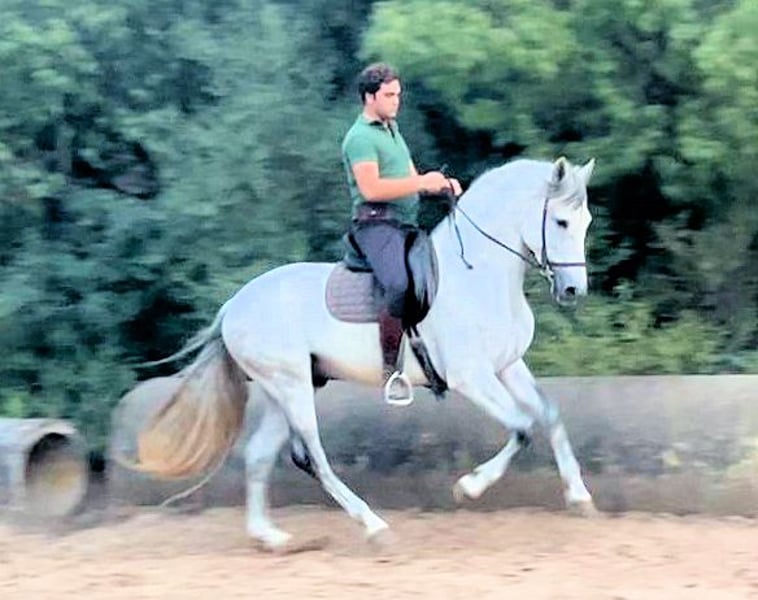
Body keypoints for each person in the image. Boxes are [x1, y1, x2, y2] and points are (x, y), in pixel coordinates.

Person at [341, 63, 462, 404]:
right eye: (389, 95)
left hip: (404, 225)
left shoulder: (392, 130)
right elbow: (372, 189)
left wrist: (439, 185)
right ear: (369, 97)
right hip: (376, 225)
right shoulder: (360, 138)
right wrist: (422, 182)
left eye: (398, 95)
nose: (396, 101)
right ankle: (391, 371)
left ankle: (432, 358)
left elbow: (410, 179)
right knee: (397, 284)